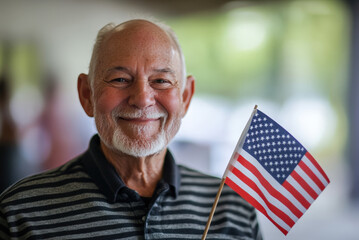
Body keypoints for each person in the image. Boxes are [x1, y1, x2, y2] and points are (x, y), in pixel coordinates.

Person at [0, 19, 262, 239]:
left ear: (185, 97)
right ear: (87, 94)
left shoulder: (233, 208)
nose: (142, 98)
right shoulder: (19, 214)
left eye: (161, 80)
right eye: (120, 79)